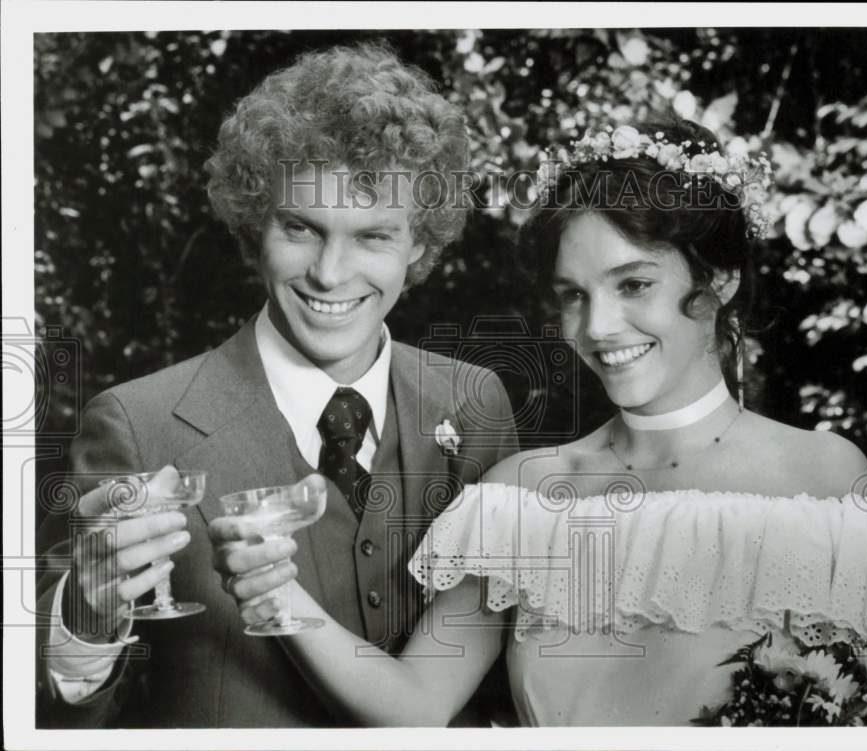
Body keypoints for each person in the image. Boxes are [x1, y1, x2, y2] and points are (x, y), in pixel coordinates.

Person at [211, 115, 867, 726]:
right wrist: (273, 592)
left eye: (633, 283)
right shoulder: (521, 496)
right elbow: (414, 707)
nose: (599, 326)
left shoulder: (825, 479)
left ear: (720, 280)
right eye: (573, 293)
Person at [35, 43, 518, 728]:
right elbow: (55, 718)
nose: (330, 272)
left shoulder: (476, 405)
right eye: (301, 227)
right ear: (256, 219)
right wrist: (85, 611)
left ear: (419, 244)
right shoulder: (137, 423)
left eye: (374, 235)